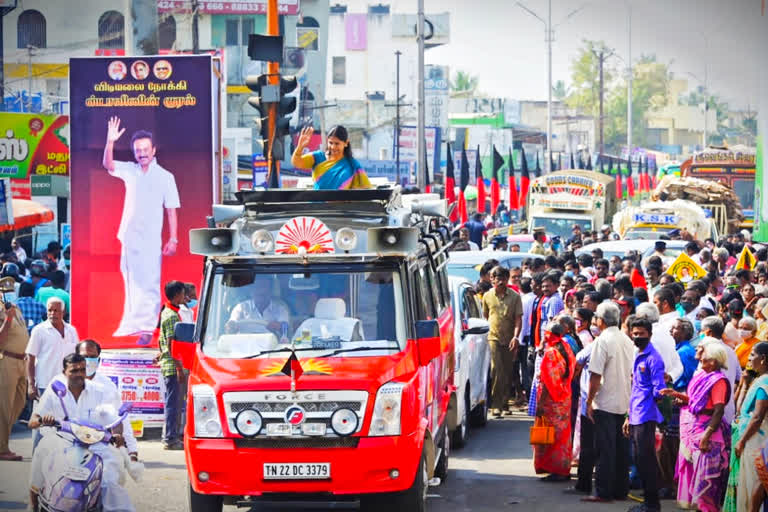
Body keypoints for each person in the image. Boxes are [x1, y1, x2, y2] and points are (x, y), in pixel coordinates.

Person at [102, 117, 181, 346]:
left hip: (150, 239)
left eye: (145, 149)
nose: (142, 153)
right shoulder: (130, 170)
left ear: (153, 150)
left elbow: (171, 210)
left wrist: (173, 239)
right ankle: (131, 324)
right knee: (131, 281)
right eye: (138, 150)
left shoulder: (165, 177)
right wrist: (110, 141)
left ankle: (147, 327)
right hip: (129, 236)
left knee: (150, 282)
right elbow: (108, 165)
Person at [28, 353, 135, 512]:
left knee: (110, 476)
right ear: (64, 372)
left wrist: (117, 434)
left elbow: (115, 419)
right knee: (41, 452)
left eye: (82, 370)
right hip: (61, 441)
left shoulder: (99, 391)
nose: (79, 374)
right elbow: (33, 420)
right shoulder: (55, 390)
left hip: (96, 444)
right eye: (74, 370)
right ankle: (33, 502)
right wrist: (43, 419)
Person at [661, 341, 732, 512]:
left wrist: (706, 435)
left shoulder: (718, 381)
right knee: (694, 471)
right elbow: (695, 401)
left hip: (707, 432)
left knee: (706, 478)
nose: (700, 360)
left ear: (713, 361)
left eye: (704, 357)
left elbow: (718, 410)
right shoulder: (702, 375)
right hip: (694, 428)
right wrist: (677, 395)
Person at [582, 301, 634, 503]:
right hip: (624, 400)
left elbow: (595, 374)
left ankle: (603, 491)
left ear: (601, 321)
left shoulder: (602, 341)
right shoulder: (626, 339)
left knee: (605, 448)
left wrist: (589, 401)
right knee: (620, 449)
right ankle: (620, 490)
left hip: (605, 401)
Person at [24, 297, 79, 451]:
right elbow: (30, 357)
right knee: (41, 424)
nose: (52, 313)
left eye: (56, 310)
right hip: (44, 384)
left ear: (64, 312)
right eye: (49, 310)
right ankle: (37, 460)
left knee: (65, 424)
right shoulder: (39, 330)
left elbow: (76, 356)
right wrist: (31, 384)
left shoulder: (71, 330)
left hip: (67, 385)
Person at [623, 316, 665, 512]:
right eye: (635, 333)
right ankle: (650, 502)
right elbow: (635, 389)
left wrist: (655, 399)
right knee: (640, 459)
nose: (637, 336)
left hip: (646, 414)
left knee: (645, 459)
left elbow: (659, 390)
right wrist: (628, 416)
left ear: (649, 334)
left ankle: (652, 504)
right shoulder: (638, 354)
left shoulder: (653, 358)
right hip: (636, 413)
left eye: (641, 334)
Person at [533, 321, 575, 481]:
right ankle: (563, 467)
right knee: (563, 435)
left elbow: (547, 382)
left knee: (552, 436)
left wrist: (541, 404)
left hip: (552, 400)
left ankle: (557, 470)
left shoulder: (551, 353)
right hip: (565, 398)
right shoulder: (566, 347)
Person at [730, 343, 768, 512]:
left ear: (764, 358)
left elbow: (758, 416)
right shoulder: (758, 380)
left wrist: (742, 440)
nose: (750, 359)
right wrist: (744, 384)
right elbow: (741, 410)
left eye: (753, 355)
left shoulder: (765, 382)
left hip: (756, 441)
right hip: (751, 438)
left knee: (754, 482)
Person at [482, 266, 523, 417]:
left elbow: (518, 319)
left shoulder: (515, 296)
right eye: (496, 278)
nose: (500, 282)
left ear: (507, 280)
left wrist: (516, 337)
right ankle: (496, 405)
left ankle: (505, 402)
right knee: (496, 370)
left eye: (503, 279)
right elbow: (486, 316)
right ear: (491, 279)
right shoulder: (487, 296)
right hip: (493, 337)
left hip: (510, 338)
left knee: (507, 371)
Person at [291, 125, 371, 190]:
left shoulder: (352, 165)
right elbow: (297, 163)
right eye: (330, 143)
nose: (333, 147)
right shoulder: (318, 157)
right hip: (317, 207)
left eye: (337, 144)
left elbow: (363, 190)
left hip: (340, 208)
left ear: (346, 143)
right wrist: (300, 147)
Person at [157, 280, 186, 450]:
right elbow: (171, 345)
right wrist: (179, 368)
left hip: (168, 363)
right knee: (173, 404)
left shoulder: (168, 312)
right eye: (182, 293)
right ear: (176, 295)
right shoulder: (172, 315)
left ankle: (170, 437)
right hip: (171, 366)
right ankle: (170, 439)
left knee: (173, 403)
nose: (185, 296)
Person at [0, 299, 29, 461]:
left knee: (18, 405)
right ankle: (2, 448)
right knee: (4, 407)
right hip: (6, 360)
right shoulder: (6, 310)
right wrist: (8, 318)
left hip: (21, 361)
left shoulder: (12, 306)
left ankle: (2, 443)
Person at [226, 276, 290, 334]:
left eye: (264, 287)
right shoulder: (241, 307)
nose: (261, 291)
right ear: (251, 291)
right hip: (244, 345)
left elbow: (285, 326)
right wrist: (231, 326)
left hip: (271, 345)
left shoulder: (280, 309)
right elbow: (232, 322)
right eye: (257, 287)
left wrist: (279, 326)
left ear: (270, 291)